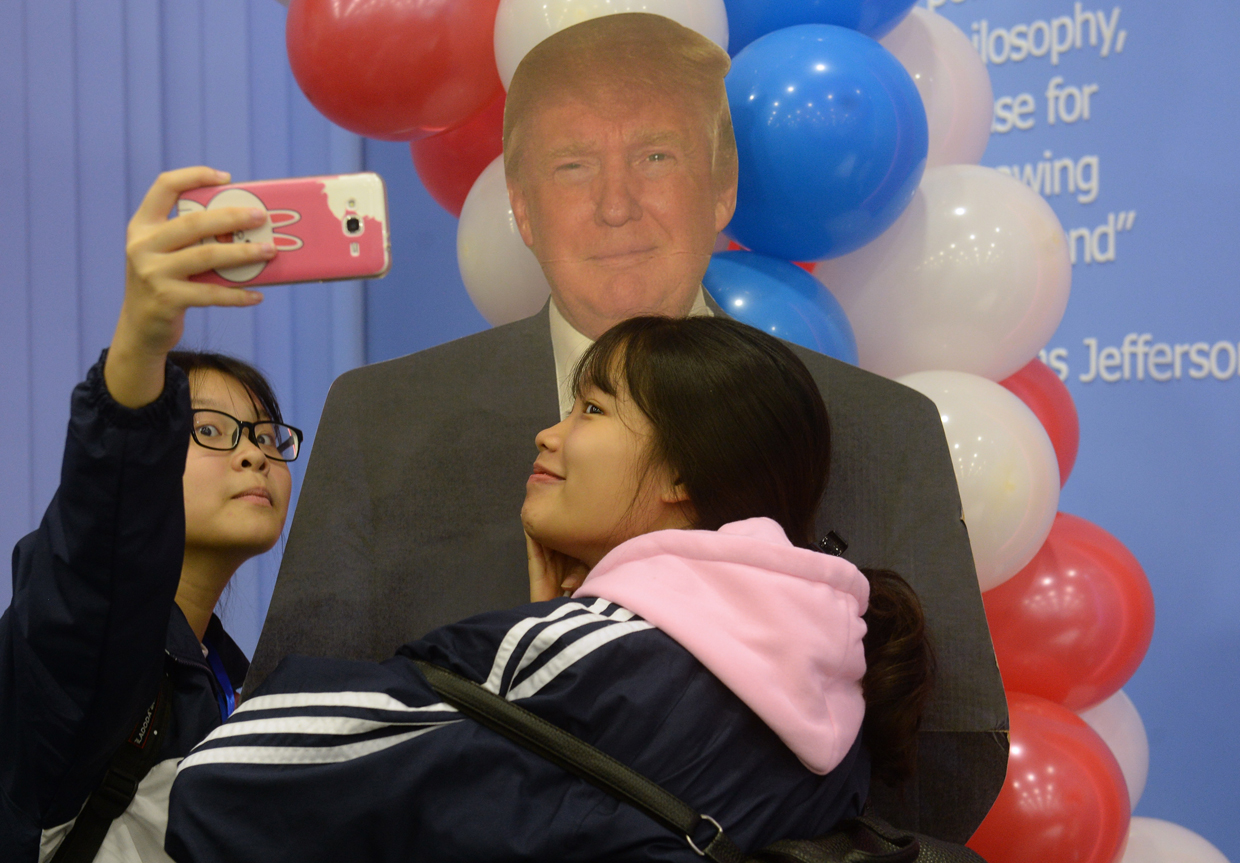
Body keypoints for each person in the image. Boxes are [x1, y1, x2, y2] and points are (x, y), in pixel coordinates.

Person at [248, 13, 1006, 837]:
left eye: (654, 156)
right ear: (522, 208)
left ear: (721, 186)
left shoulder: (880, 426)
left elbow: (955, 749)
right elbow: (289, 734)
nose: (615, 205)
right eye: (573, 166)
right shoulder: (381, 419)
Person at [164, 316, 935, 863]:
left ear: (684, 476)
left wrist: (556, 632)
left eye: (594, 407)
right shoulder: (836, 686)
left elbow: (230, 773)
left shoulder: (584, 659)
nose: (550, 433)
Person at [0, 167, 303, 863]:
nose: (255, 455)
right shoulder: (83, 647)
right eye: (210, 430)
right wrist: (142, 338)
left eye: (266, 434)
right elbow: (98, 532)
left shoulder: (231, 676)